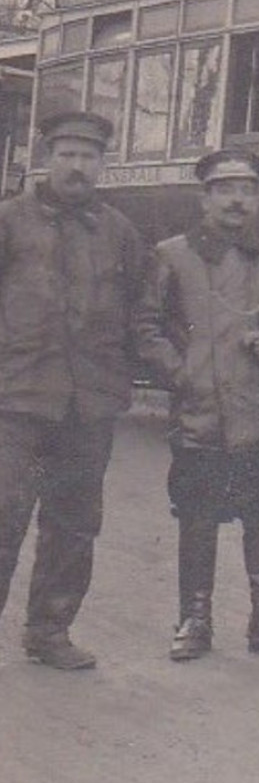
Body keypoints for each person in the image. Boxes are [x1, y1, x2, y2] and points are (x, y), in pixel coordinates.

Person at [137, 148, 259, 663]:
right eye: (225, 189)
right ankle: (194, 620)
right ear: (205, 197)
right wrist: (182, 374)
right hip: (200, 416)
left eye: (247, 190)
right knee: (197, 517)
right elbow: (146, 329)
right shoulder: (170, 255)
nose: (238, 200)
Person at [0, 111, 148, 670]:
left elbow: (142, 312)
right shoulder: (9, 222)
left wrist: (117, 377)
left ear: (103, 165)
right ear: (47, 159)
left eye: (88, 156)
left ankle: (50, 632)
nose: (76, 166)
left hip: (88, 407)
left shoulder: (120, 233)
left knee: (74, 522)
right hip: (15, 401)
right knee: (2, 517)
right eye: (66, 154)